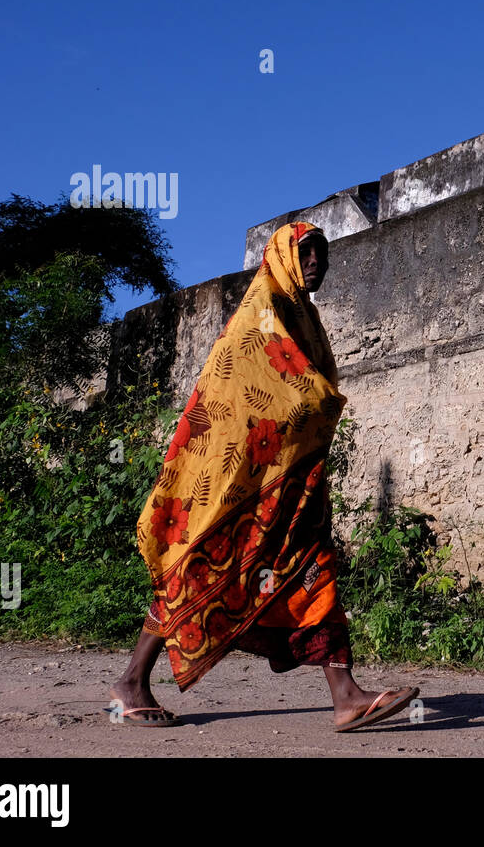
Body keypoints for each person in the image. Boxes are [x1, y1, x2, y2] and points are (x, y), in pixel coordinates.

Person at [108, 221, 417, 732]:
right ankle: (132, 681)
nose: (316, 261)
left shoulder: (305, 319)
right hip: (236, 483)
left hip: (292, 480)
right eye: (306, 252)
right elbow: (259, 397)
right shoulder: (262, 314)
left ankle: (345, 695)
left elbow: (309, 394)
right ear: (283, 257)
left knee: (312, 568)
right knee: (199, 570)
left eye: (322, 252)